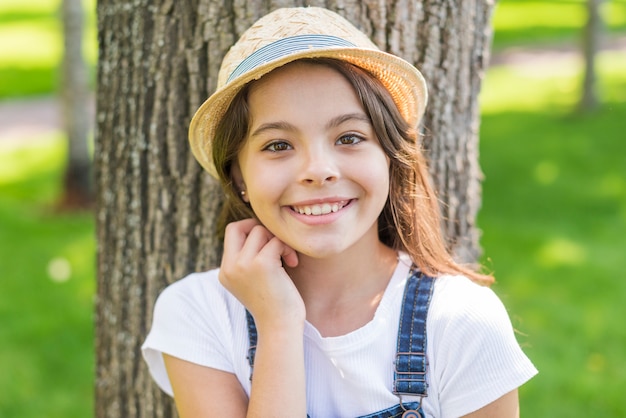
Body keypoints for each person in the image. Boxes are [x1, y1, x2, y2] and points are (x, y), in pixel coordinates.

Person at [142, 7, 537, 418]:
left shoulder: (460, 321)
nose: (317, 171)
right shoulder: (198, 313)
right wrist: (278, 326)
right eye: (278, 145)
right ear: (238, 174)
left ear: (389, 156)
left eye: (349, 137)